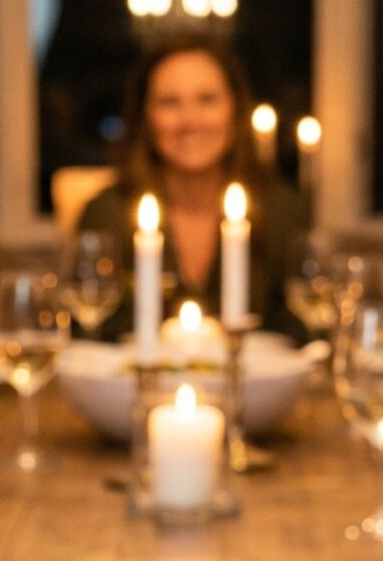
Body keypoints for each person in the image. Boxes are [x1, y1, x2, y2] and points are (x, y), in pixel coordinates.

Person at [77, 33, 313, 342]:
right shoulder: (107, 214)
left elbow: (304, 339)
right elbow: (86, 340)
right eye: (169, 102)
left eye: (207, 99)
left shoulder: (284, 210)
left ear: (235, 110)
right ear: (146, 118)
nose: (190, 120)